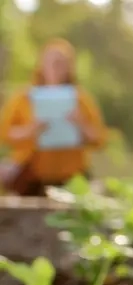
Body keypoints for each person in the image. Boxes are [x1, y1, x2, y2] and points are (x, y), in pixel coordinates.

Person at [0, 39, 106, 196]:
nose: (56, 68)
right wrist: (30, 130)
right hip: (31, 176)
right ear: (41, 65)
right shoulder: (24, 98)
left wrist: (80, 123)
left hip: (71, 177)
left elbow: (100, 139)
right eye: (52, 62)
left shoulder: (81, 99)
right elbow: (4, 133)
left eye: (62, 63)